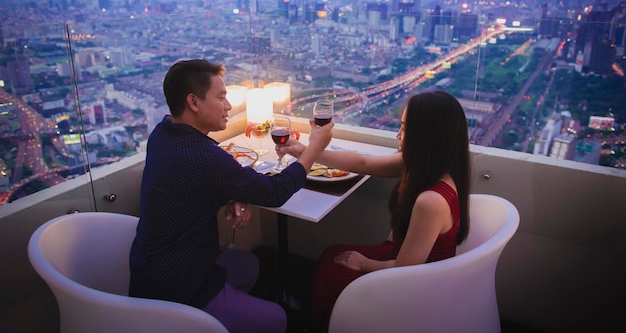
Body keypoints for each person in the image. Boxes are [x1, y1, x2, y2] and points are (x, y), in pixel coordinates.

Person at [129, 59, 333, 333]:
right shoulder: (204, 157)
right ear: (194, 102)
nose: (228, 106)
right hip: (180, 286)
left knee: (249, 265)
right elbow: (275, 192)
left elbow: (193, 181)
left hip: (151, 269)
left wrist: (231, 193)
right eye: (221, 97)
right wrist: (314, 147)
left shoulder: (163, 133)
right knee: (278, 318)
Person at [277, 91, 471, 332]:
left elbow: (406, 270)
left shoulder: (431, 201)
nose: (398, 135)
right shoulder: (429, 167)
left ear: (425, 137)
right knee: (331, 256)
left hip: (418, 285)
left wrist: (364, 264)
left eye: (404, 127)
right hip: (407, 262)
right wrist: (306, 151)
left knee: (331, 271)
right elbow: (362, 163)